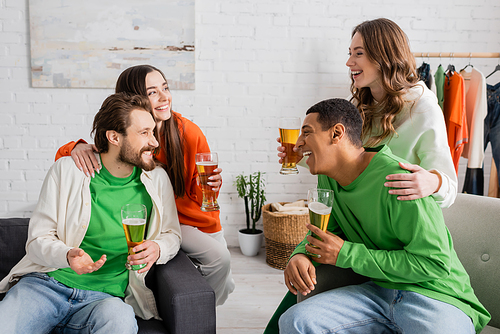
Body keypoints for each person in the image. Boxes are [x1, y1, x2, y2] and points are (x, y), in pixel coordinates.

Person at [266, 18, 458, 332]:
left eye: (358, 53)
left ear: (383, 56)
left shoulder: (422, 108)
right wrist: (307, 155)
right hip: (368, 238)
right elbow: (348, 170)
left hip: (409, 233)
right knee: (297, 316)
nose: (348, 62)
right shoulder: (362, 109)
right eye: (350, 53)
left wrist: (432, 180)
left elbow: (449, 185)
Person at [279, 98, 489, 333]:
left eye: (306, 133)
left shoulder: (400, 180)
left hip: (435, 295)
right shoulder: (329, 177)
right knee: (294, 321)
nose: (298, 143)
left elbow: (435, 264)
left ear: (336, 133)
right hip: (376, 293)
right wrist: (299, 255)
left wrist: (346, 254)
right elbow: (327, 231)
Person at [0, 93, 182, 333]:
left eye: (153, 132)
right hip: (45, 285)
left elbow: (172, 233)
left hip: (104, 299)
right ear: (114, 137)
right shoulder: (66, 171)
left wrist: (158, 248)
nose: (155, 142)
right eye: (144, 133)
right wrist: (67, 255)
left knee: (121, 324)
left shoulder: (156, 180)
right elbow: (36, 241)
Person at [55, 65, 235, 306]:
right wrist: (75, 146)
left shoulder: (188, 133)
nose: (164, 97)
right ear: (134, 99)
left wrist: (212, 184)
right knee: (219, 261)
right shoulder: (126, 136)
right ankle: (198, 308)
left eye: (165, 88)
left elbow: (200, 194)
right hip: (155, 218)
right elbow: (75, 157)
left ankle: (200, 310)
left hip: (189, 220)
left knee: (222, 267)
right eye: (152, 92)